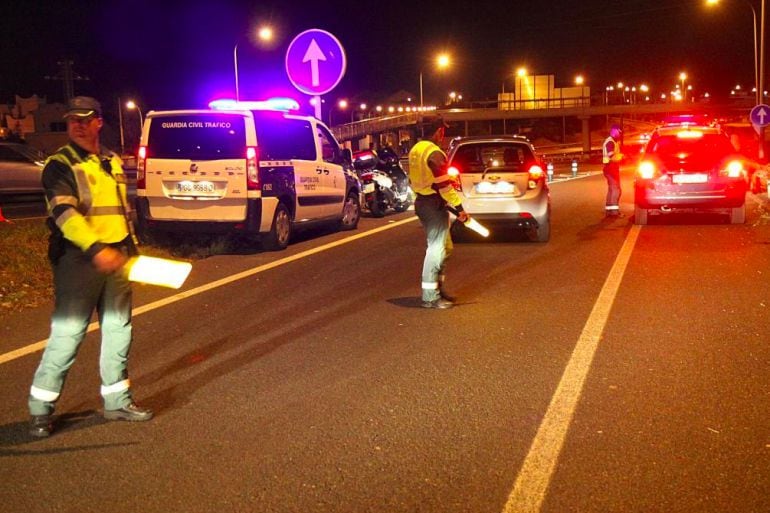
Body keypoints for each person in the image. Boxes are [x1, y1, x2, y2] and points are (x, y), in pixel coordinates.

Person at [28, 96, 152, 438]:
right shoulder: (60, 164)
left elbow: (122, 212)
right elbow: (64, 215)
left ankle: (117, 401)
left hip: (117, 259)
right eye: (72, 121)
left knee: (118, 330)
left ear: (98, 121)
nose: (78, 126)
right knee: (69, 334)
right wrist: (95, 248)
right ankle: (41, 409)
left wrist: (131, 251)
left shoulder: (111, 160)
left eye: (85, 119)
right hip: (79, 260)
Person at [408, 119, 469, 309]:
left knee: (446, 247)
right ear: (438, 132)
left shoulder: (416, 149)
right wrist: (460, 209)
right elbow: (444, 186)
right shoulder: (434, 153)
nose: (443, 135)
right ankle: (430, 297)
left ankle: (437, 288)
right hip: (433, 205)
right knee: (437, 249)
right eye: (442, 131)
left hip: (423, 202)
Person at [602, 123, 624, 217]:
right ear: (614, 131)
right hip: (611, 168)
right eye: (619, 132)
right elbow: (611, 155)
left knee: (612, 189)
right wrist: (621, 156)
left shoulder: (613, 141)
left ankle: (609, 211)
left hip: (610, 169)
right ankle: (614, 212)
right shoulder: (610, 142)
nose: (620, 134)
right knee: (616, 190)